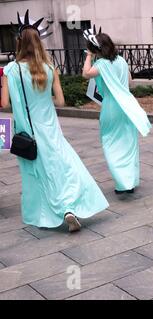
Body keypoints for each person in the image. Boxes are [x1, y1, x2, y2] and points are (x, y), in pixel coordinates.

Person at [0, 11, 109, 232]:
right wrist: (42, 98)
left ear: (19, 43)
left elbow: (4, 103)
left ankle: (55, 211)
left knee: (38, 174)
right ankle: (70, 206)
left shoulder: (10, 70)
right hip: (50, 130)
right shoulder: (50, 69)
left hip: (26, 133)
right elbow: (60, 101)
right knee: (65, 167)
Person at [82, 27, 152, 195]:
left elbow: (85, 74)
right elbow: (129, 80)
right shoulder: (121, 60)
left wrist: (89, 56)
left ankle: (122, 183)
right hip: (127, 106)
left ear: (96, 49)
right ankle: (131, 181)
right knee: (129, 143)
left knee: (111, 143)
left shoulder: (101, 64)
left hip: (111, 107)